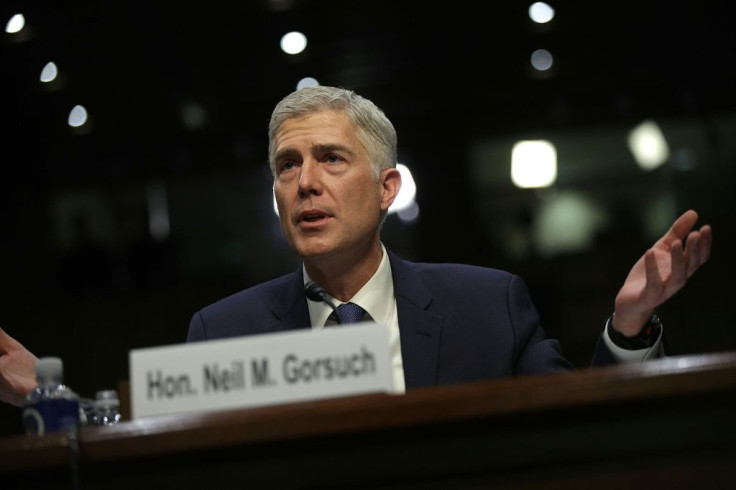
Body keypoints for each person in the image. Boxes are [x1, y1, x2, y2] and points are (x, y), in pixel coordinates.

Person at [0, 85, 713, 405]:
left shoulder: (487, 305)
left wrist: (626, 328)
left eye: (332, 160)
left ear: (388, 188)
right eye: (288, 166)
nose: (306, 183)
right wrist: (59, 399)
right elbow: (160, 446)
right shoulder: (223, 330)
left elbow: (574, 429)